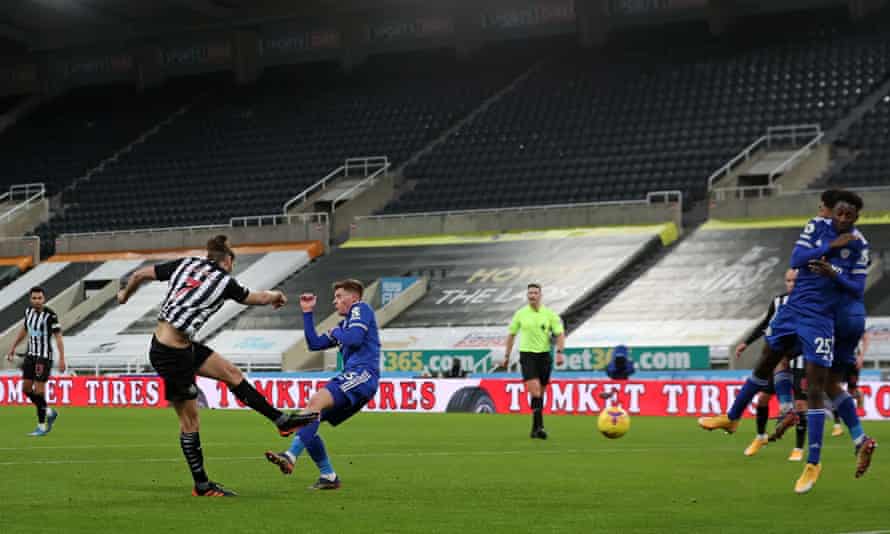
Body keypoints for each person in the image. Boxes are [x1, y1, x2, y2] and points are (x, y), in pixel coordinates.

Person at [698, 190, 875, 494]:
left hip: (821, 318)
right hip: (793, 310)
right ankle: (731, 418)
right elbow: (797, 259)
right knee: (766, 361)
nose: (844, 218)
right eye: (840, 212)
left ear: (858, 216)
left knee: (816, 387)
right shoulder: (816, 227)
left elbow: (857, 289)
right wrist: (830, 246)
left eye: (851, 214)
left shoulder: (859, 245)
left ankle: (813, 463)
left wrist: (833, 274)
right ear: (833, 211)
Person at [117, 235, 315, 497]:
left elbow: (141, 273)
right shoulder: (224, 282)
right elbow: (254, 298)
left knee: (231, 374)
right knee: (190, 421)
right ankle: (201, 485)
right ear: (228, 260)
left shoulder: (185, 264)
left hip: (181, 346)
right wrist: (277, 295)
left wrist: (124, 295)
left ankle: (280, 420)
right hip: (170, 355)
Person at [265, 279, 380, 490]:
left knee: (315, 402)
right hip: (355, 378)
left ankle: (290, 456)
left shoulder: (360, 308)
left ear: (353, 297)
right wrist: (307, 312)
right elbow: (314, 343)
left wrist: (336, 333)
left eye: (339, 296)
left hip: (363, 375)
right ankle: (328, 476)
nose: (334, 302)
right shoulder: (344, 326)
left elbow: (354, 339)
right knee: (308, 417)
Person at [733, 269, 798, 458]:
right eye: (788, 280)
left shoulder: (809, 302)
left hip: (800, 355)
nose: (791, 284)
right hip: (779, 355)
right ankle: (761, 436)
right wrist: (746, 342)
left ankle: (799, 449)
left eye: (795, 281)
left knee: (803, 403)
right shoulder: (779, 301)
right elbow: (764, 324)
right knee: (762, 399)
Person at [501, 283, 565, 440]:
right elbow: (511, 335)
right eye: (530, 293)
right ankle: (540, 428)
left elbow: (560, 334)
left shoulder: (550, 315)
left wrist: (559, 353)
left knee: (540, 394)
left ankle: (534, 428)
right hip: (527, 355)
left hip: (544, 356)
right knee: (535, 391)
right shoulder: (520, 314)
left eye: (535, 293)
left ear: (540, 295)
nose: (532, 296)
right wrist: (507, 356)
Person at [5, 286, 65, 436]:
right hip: (30, 355)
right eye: (34, 298)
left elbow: (58, 337)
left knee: (39, 391)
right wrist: (13, 346)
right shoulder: (28, 312)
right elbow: (25, 330)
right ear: (30, 299)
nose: (37, 301)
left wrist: (62, 358)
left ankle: (41, 426)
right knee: (25, 389)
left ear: (44, 299)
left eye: (40, 298)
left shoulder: (50, 315)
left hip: (44, 357)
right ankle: (49, 411)